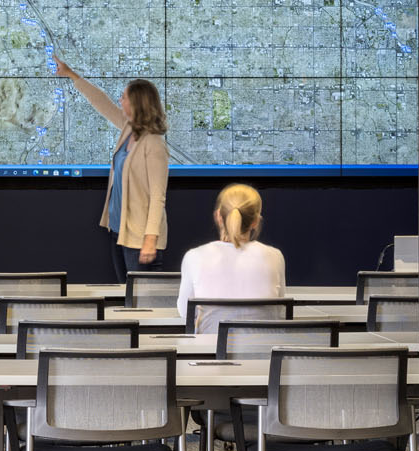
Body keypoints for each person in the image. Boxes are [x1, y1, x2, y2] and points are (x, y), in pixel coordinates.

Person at [52, 56, 169, 283]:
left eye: (124, 97)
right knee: (125, 292)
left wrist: (150, 239)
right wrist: (72, 74)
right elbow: (102, 103)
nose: (120, 100)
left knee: (139, 302)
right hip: (120, 230)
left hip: (139, 238)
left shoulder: (153, 145)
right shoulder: (128, 130)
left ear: (137, 103)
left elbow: (158, 197)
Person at [175, 182, 286, 331]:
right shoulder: (275, 256)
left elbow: (184, 313)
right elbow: (279, 313)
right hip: (263, 351)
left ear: (219, 217)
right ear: (255, 221)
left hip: (208, 352)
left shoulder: (194, 256)